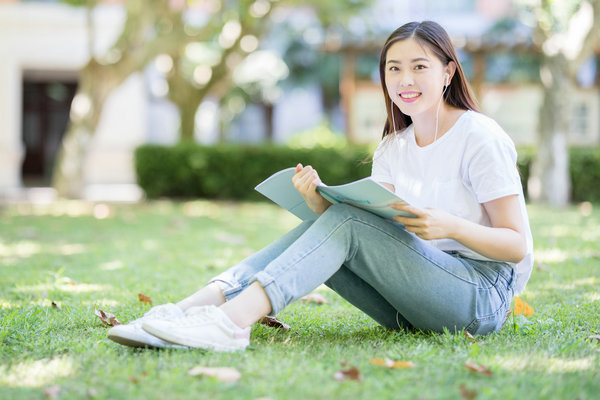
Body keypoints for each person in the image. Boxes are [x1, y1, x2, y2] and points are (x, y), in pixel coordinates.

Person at [108, 20, 533, 351]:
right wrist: (315, 201)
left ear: (447, 73)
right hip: (412, 302)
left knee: (346, 222)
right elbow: (365, 232)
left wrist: (452, 227)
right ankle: (184, 313)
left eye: (419, 67)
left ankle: (229, 324)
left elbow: (516, 245)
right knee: (333, 222)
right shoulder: (393, 146)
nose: (405, 80)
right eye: (394, 68)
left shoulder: (479, 136)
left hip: (480, 297)